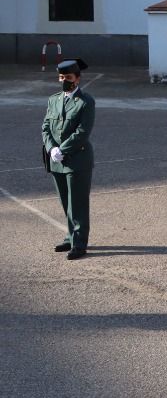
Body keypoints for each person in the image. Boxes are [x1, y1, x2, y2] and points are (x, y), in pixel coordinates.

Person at [42, 57, 94, 259]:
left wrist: (62, 149)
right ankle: (70, 236)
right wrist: (51, 148)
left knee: (77, 203)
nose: (64, 80)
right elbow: (46, 126)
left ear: (77, 79)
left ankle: (79, 244)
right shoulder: (53, 99)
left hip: (77, 159)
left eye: (68, 77)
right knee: (66, 201)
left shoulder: (86, 101)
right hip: (57, 160)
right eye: (61, 77)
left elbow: (82, 131)